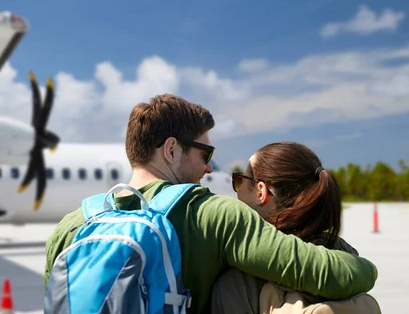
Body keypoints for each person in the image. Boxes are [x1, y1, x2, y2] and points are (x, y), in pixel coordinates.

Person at [43, 94, 378, 313]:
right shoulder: (213, 214)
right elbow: (326, 273)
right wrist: (368, 269)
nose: (208, 167)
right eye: (206, 155)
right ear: (172, 150)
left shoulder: (71, 226)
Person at [211, 142, 381, 313]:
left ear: (260, 192)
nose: (236, 192)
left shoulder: (236, 283)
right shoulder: (346, 258)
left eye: (240, 180)